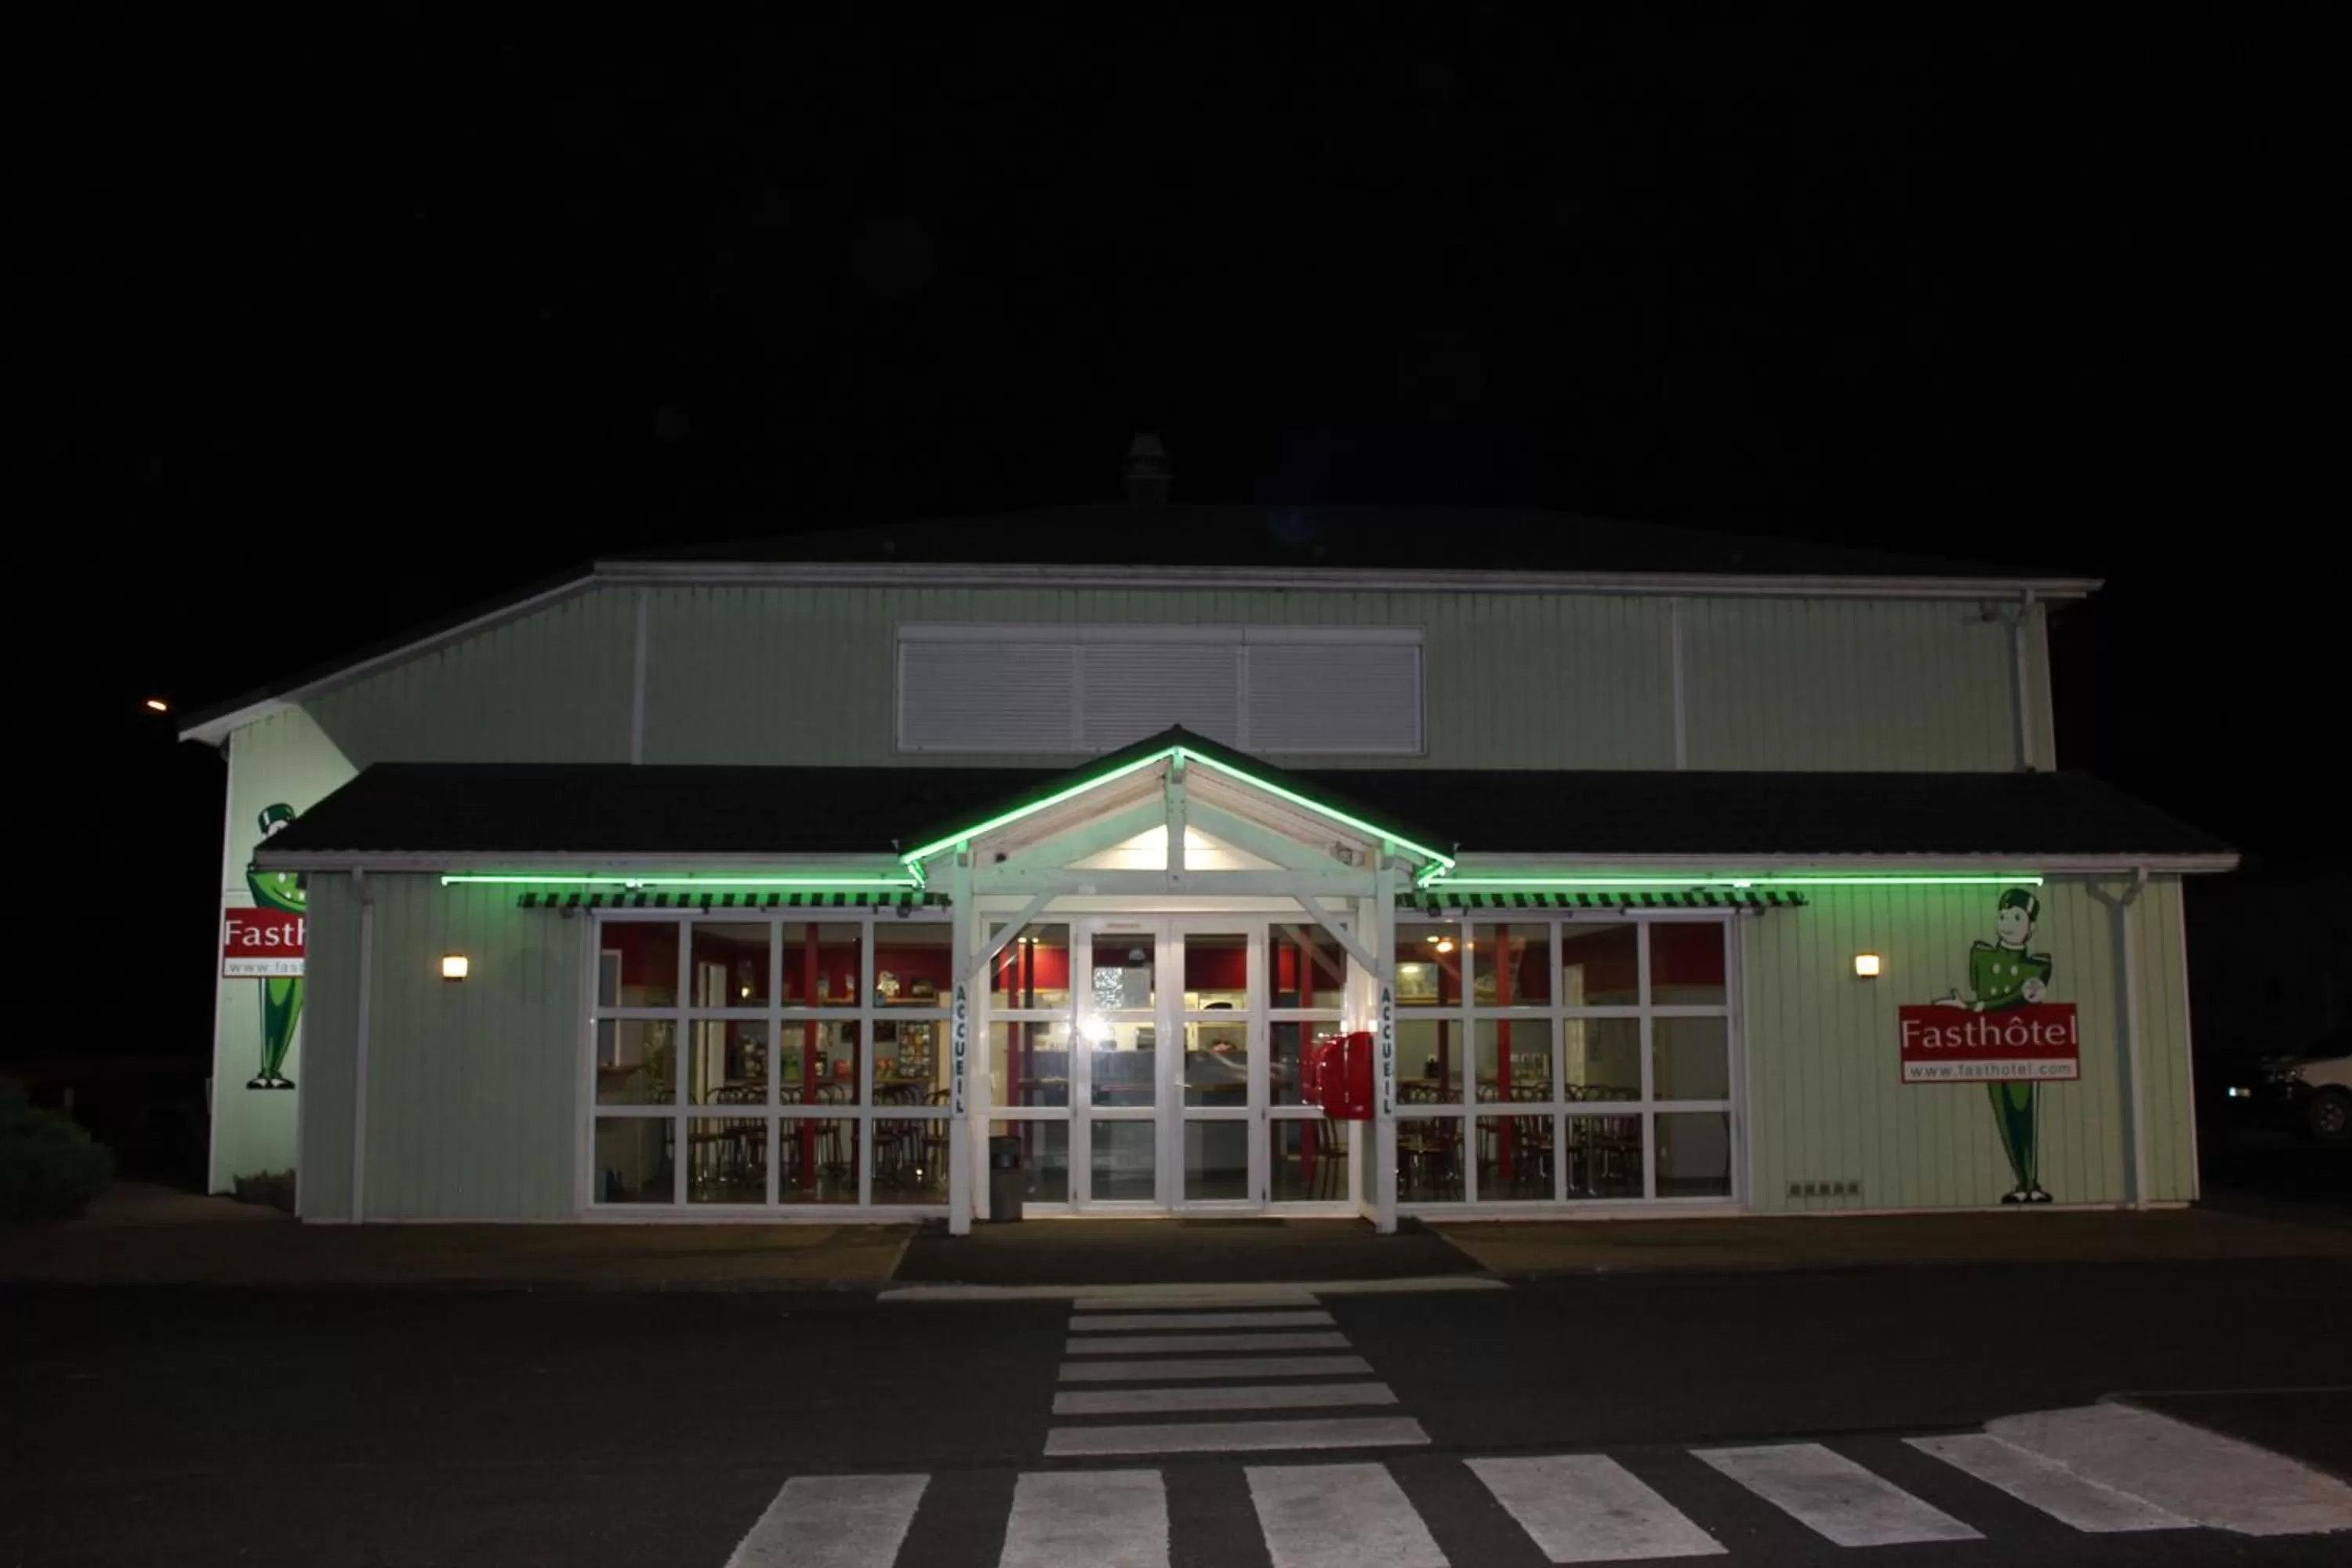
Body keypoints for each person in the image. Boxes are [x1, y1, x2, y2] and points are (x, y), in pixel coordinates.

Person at [1936, 887, 2054, 1203]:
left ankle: (2031, 1183)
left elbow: (2020, 998)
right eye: (2003, 916)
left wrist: (1975, 1008)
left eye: (2016, 917)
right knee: (2004, 1116)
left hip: (2021, 1046)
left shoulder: (2038, 966)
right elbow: (1984, 987)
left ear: (2031, 927)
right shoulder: (1982, 956)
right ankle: (2023, 1183)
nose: (2007, 923)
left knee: (2024, 1113)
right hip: (1989, 1045)